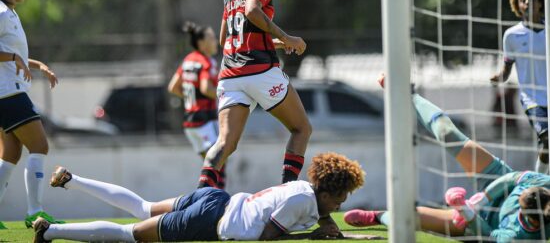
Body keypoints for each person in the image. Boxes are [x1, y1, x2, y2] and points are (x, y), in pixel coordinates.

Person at [344, 74, 550, 241]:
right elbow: (516, 178)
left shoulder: (515, 237)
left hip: (481, 222)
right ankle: (408, 94)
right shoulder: (543, 184)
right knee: (447, 134)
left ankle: (378, 216)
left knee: (409, 217)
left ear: (528, 217)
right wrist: (484, 197)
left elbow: (486, 235)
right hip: (497, 181)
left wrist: (466, 210)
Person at [197, 0, 311, 189]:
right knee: (301, 129)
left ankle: (199, 199)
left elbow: (227, 39)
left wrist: (274, 44)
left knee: (224, 143)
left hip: (230, 76)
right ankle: (286, 194)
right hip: (259, 72)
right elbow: (251, 11)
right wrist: (286, 37)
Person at [33, 152, 365, 242]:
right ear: (328, 190)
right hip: (211, 221)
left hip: (215, 198)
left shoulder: (304, 190)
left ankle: (71, 181)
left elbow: (318, 209)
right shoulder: (303, 203)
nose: (342, 204)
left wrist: (327, 224)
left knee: (143, 207)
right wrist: (311, 236)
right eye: (342, 197)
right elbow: (265, 239)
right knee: (128, 235)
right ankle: (51, 232)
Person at [0, 0, 63, 229]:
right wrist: (15, 56)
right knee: (40, 146)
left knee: (10, 154)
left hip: (7, 92)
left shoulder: (9, 13)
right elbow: (11, 56)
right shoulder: (1, 13)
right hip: (8, 93)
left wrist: (38, 66)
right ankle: (34, 212)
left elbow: (17, 57)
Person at [490, 0, 548, 173]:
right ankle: (538, 184)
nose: (526, 3)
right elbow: (507, 69)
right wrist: (499, 78)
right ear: (518, 5)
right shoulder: (512, 35)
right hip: (532, 98)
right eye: (522, 0)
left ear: (540, 2)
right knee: (547, 139)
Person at [167, 22, 227, 188]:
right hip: (204, 120)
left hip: (190, 122)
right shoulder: (206, 62)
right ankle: (212, 203)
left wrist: (189, 99)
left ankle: (211, 200)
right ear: (201, 42)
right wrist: (224, 94)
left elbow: (173, 87)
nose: (215, 41)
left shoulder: (188, 60)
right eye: (212, 38)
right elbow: (205, 88)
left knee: (213, 165)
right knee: (217, 165)